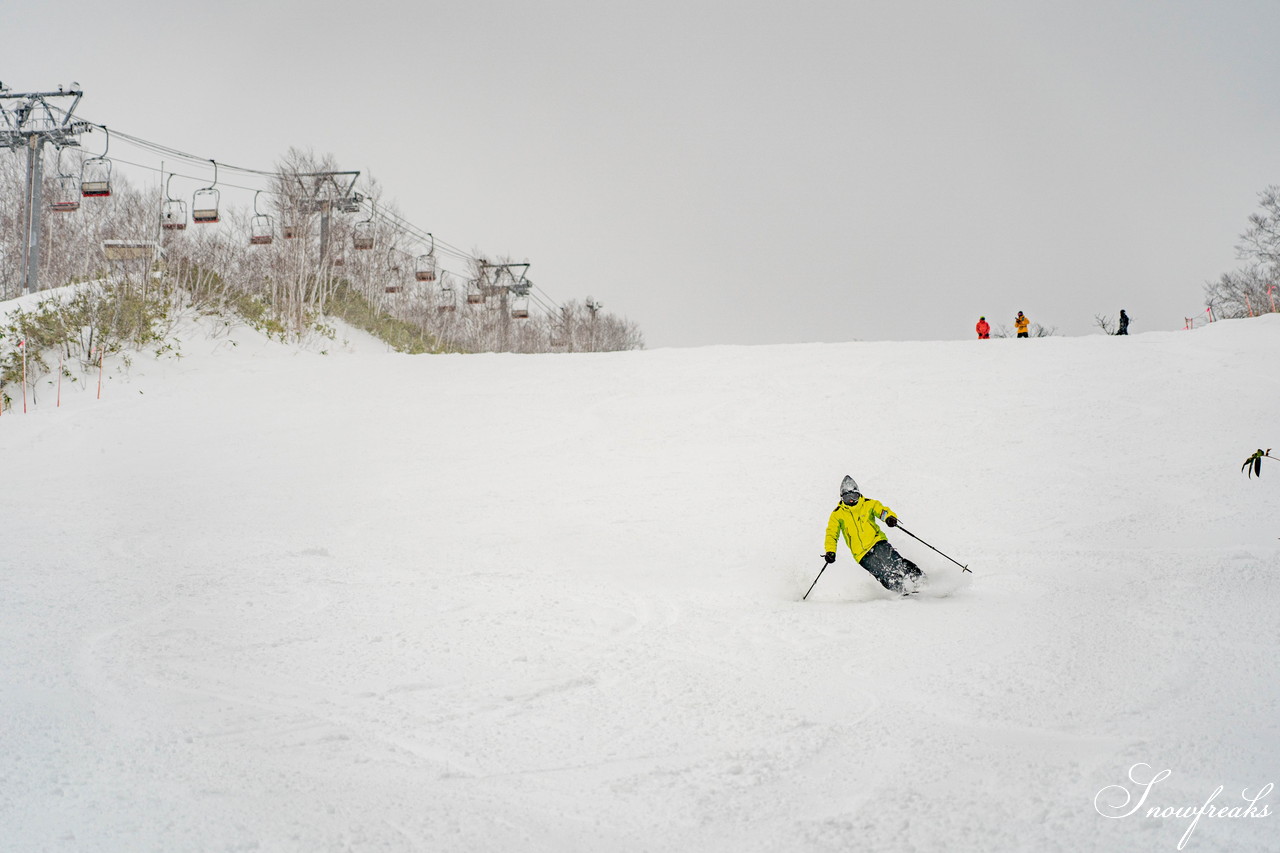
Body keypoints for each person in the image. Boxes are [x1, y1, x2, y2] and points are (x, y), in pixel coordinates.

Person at [823, 475, 924, 595]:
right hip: (861, 553)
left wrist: (889, 518)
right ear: (842, 498)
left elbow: (881, 511)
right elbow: (831, 535)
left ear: (858, 494)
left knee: (894, 563)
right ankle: (902, 589)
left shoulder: (869, 504)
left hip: (877, 542)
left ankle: (921, 580)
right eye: (847, 497)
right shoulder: (837, 514)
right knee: (882, 574)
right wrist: (830, 551)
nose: (851, 500)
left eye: (853, 496)